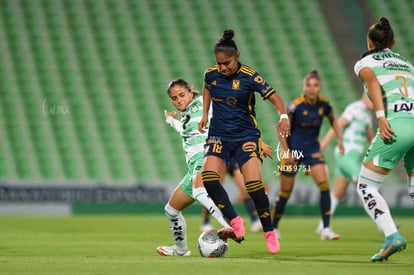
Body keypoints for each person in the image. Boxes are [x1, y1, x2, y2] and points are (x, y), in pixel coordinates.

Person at [198, 29, 290, 254]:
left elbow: (275, 97)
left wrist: (284, 116)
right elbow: (207, 87)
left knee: (253, 185)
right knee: (208, 179)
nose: (223, 68)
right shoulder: (211, 75)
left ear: (237, 56)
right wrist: (204, 113)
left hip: (245, 137)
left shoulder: (250, 76)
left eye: (227, 63)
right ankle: (235, 220)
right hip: (218, 135)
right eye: (219, 64)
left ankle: (269, 232)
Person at [354, 16, 413, 262]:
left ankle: (391, 235)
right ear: (394, 42)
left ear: (369, 42)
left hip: (396, 124)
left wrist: (380, 116)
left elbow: (372, 82)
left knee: (366, 185)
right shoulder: (408, 64)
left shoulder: (365, 61)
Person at [156, 78, 232, 257]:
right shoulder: (186, 117)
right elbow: (182, 129)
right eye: (174, 98)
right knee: (171, 210)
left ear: (191, 92)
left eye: (182, 95)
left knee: (199, 191)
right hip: (193, 167)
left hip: (205, 157)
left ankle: (229, 224)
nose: (179, 100)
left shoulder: (204, 103)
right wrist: (169, 120)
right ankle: (181, 250)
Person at [271, 70, 344, 240]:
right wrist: (286, 151)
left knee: (324, 185)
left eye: (316, 85)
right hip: (293, 152)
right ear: (304, 87)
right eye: (309, 85)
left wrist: (340, 140)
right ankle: (273, 228)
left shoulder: (324, 105)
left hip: (312, 151)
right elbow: (281, 130)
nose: (312, 89)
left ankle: (325, 228)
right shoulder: (295, 105)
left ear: (320, 88)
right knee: (285, 192)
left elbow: (333, 120)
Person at [316, 93, 374, 233]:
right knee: (365, 186)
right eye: (372, 97)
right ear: (365, 96)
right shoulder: (355, 108)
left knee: (338, 193)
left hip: (354, 158)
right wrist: (321, 148)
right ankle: (384, 226)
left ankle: (322, 226)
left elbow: (370, 138)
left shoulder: (368, 115)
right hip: (345, 154)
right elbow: (336, 126)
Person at [201, 145, 273, 233]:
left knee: (245, 189)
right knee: (213, 190)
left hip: (232, 154)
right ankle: (205, 222)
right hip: (219, 152)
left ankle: (254, 221)